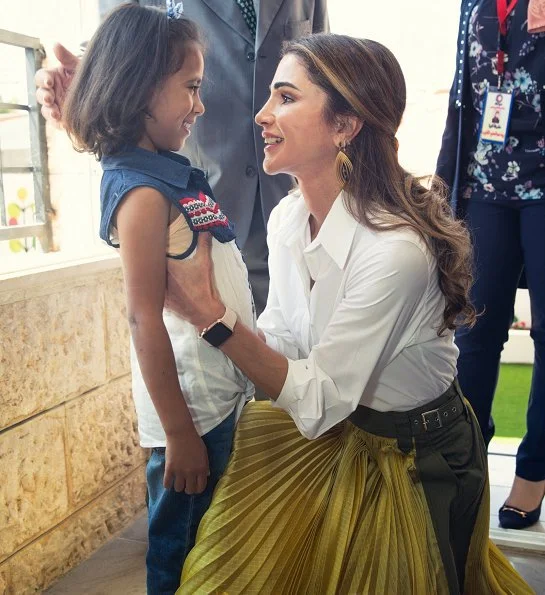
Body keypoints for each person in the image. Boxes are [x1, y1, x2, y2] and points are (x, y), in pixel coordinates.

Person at [163, 33, 532, 594]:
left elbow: (318, 400)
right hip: (338, 429)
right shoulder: (290, 219)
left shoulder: (395, 252)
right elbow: (285, 340)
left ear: (345, 126)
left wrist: (213, 318)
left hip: (416, 459)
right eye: (270, 97)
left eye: (286, 98)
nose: (262, 115)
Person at [61, 4, 256, 593]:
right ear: (140, 86)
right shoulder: (142, 193)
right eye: (191, 88)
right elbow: (143, 318)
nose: (199, 106)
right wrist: (177, 433)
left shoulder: (166, 171)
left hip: (217, 396)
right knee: (181, 554)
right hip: (192, 411)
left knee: (215, 548)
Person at [36, 0, 329, 315]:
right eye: (192, 87)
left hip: (290, 211)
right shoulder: (141, 198)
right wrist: (89, 80)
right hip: (197, 216)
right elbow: (122, 48)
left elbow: (324, 72)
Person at [436, 0, 545, 530]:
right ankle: (466, 459)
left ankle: (534, 471)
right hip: (485, 182)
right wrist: (444, 181)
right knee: (474, 329)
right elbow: (466, 91)